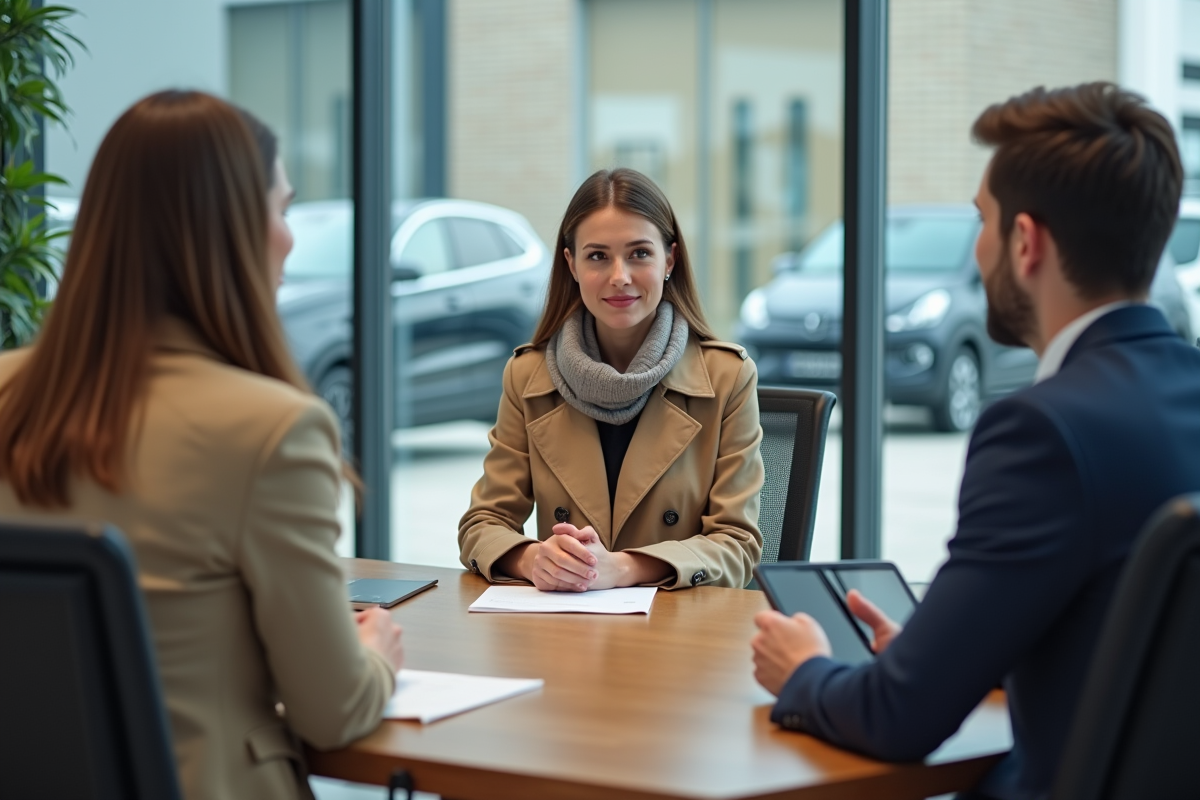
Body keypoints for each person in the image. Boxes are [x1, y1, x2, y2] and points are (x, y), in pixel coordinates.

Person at [751, 82, 1200, 800]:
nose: (979, 245)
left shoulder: (1042, 431)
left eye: (981, 221)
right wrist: (956, 654)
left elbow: (899, 719)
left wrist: (803, 668)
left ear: (1026, 242)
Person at [0, 91, 401, 800]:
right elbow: (333, 710)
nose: (290, 237)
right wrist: (374, 656)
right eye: (281, 210)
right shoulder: (271, 429)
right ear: (228, 230)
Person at [459, 168, 764, 591]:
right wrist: (533, 559)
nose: (619, 276)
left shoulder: (727, 377)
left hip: (681, 632)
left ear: (669, 259)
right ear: (572, 264)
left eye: (639, 253)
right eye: (598, 256)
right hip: (564, 626)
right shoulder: (528, 376)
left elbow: (738, 544)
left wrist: (622, 568)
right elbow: (482, 523)